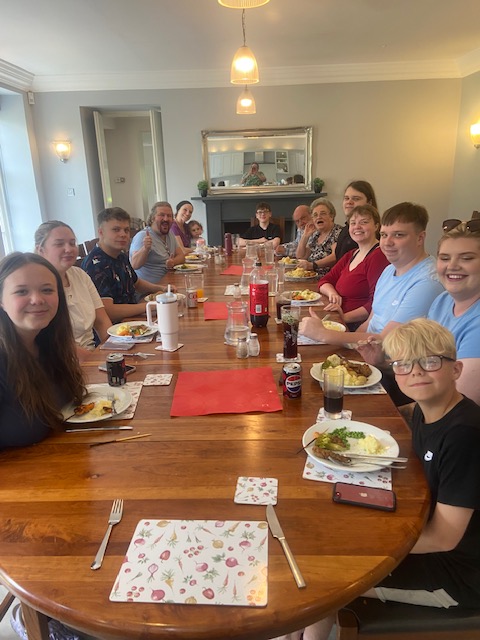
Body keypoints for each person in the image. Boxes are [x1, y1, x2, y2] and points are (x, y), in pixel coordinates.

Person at [303, 319, 480, 640]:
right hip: (422, 529)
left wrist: (362, 544)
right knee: (322, 542)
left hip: (457, 574)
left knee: (327, 577)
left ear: (456, 369)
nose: (416, 372)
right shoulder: (430, 411)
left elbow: (443, 539)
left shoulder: (464, 435)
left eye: (430, 361)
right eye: (404, 364)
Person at [358, 216, 480, 406]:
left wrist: (391, 417)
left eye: (467, 258)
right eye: (445, 258)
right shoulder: (443, 302)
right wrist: (382, 362)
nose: (452, 266)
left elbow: (456, 409)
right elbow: (421, 368)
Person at [300, 202, 444, 347]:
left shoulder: (427, 282)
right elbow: (370, 323)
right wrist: (347, 344)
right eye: (384, 235)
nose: (387, 242)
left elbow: (386, 339)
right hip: (367, 348)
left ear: (420, 238)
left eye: (398, 235)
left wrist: (323, 334)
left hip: (391, 358)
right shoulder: (389, 270)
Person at [0, 252, 85, 448]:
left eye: (47, 290)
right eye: (22, 291)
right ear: (2, 300)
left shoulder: (48, 343)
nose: (37, 299)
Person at [82, 207, 175, 323]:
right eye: (116, 230)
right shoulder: (95, 264)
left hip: (133, 318)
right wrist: (150, 306)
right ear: (101, 232)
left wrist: (162, 288)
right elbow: (108, 311)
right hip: (116, 328)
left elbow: (137, 283)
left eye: (126, 230)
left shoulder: (120, 256)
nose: (123, 234)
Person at [34, 221, 111, 354]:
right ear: (41, 250)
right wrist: (95, 360)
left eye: (72, 243)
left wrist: (115, 350)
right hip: (62, 360)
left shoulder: (80, 275)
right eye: (59, 244)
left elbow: (101, 321)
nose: (68, 249)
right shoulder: (37, 285)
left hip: (92, 353)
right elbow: (54, 344)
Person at [318, 204, 389, 330]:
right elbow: (325, 280)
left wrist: (344, 317)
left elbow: (376, 304)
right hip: (337, 317)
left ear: (376, 226)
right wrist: (333, 293)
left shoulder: (378, 256)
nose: (357, 227)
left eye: (364, 222)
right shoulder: (351, 254)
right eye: (353, 223)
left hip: (357, 325)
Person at [130, 201, 185, 283]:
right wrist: (145, 249)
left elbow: (181, 256)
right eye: (161, 215)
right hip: (151, 288)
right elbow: (134, 265)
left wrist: (173, 262)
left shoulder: (170, 234)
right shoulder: (143, 236)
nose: (166, 219)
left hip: (169, 284)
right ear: (153, 218)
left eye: (169, 216)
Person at [295, 198, 342, 276]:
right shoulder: (316, 234)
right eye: (315, 215)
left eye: (323, 214)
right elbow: (300, 256)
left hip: (327, 277)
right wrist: (305, 236)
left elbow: (335, 256)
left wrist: (312, 265)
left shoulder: (337, 232)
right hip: (311, 276)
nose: (318, 217)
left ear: (331, 216)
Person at [335, 180, 378, 260]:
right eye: (346, 198)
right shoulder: (345, 229)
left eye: (356, 199)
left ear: (369, 202)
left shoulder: (370, 233)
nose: (349, 202)